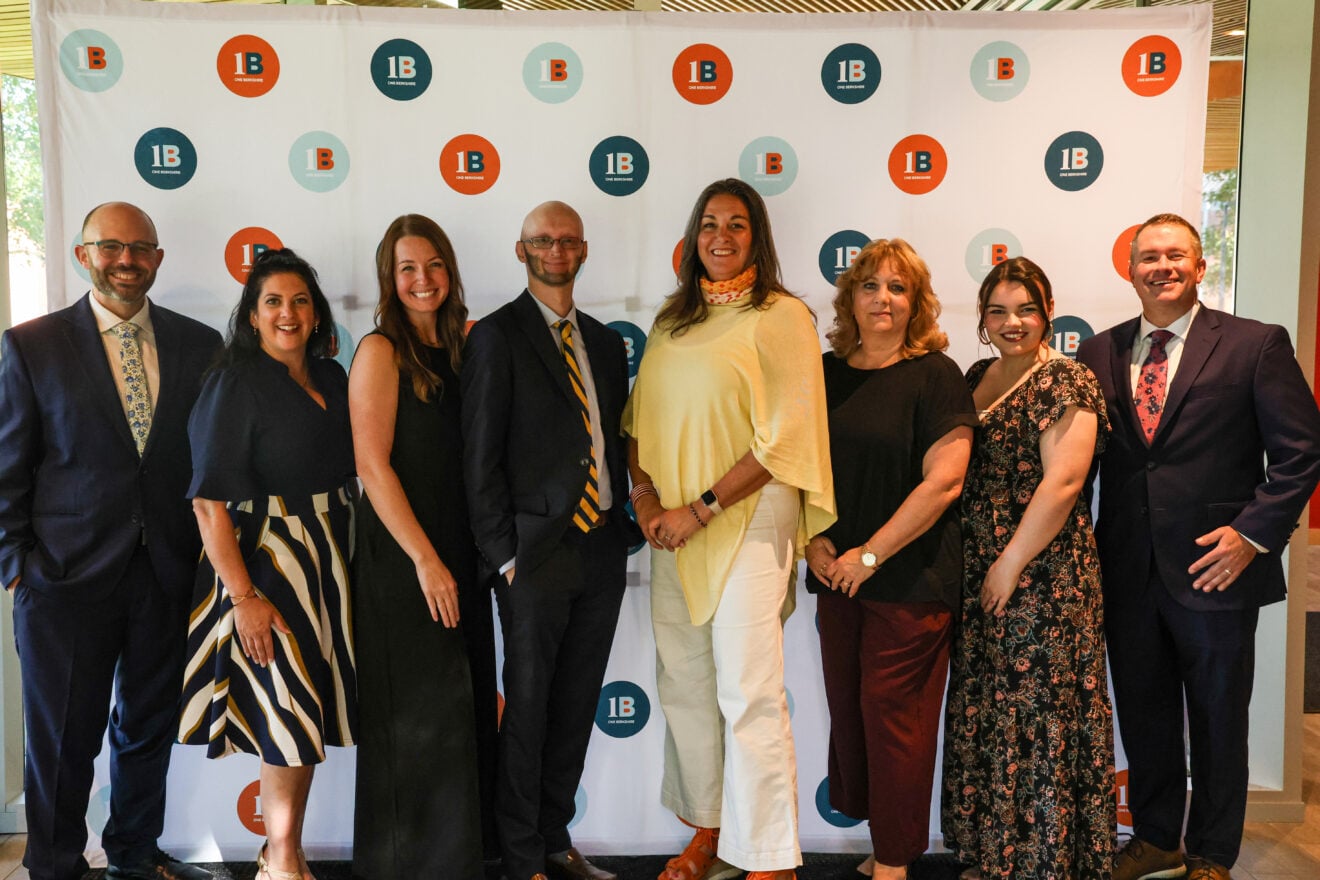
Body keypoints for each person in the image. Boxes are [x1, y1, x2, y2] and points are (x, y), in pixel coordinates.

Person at [1076, 215, 1320, 880]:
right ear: (1131, 270)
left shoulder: (1255, 344)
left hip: (1218, 568)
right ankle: (1157, 839)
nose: (1162, 266)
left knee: (1217, 719)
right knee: (1145, 715)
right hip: (1127, 570)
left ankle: (1212, 853)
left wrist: (1251, 536)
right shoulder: (1096, 353)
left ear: (1200, 265)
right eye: (1148, 257)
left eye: (1175, 255)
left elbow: (1301, 453)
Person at [0, 202, 219, 880]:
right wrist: (16, 566)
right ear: (83, 255)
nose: (126, 260)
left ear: (157, 258)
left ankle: (133, 855)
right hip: (62, 580)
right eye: (110, 247)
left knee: (147, 729)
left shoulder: (199, 344)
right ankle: (54, 864)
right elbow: (7, 466)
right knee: (62, 741)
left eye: (140, 248)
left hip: (166, 573)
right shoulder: (32, 345)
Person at [623, 178, 834, 880]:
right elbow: (636, 425)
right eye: (709, 223)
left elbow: (785, 438)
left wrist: (701, 508)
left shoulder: (782, 316)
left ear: (757, 237)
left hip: (746, 518)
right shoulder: (670, 320)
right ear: (693, 236)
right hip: (672, 530)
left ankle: (769, 858)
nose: (721, 236)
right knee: (686, 684)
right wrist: (647, 502)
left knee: (749, 691)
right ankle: (710, 833)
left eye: (737, 224)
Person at [461, 200, 640, 880]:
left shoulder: (604, 343)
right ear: (522, 250)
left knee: (574, 706)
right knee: (529, 710)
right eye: (542, 240)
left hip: (601, 548)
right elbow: (478, 457)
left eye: (567, 240)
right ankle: (520, 856)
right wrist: (504, 556)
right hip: (533, 556)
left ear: (583, 250)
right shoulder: (495, 337)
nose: (556, 250)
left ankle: (555, 839)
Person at [177, 249, 356, 880]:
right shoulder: (235, 382)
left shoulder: (333, 377)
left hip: (332, 558)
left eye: (300, 301)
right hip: (267, 563)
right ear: (252, 316)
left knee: (304, 717)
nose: (288, 313)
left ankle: (284, 852)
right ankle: (281, 859)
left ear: (317, 313)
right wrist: (244, 598)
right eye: (273, 301)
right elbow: (207, 504)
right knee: (285, 714)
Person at [804, 239, 975, 880]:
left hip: (910, 582)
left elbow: (945, 482)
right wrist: (813, 540)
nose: (883, 298)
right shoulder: (822, 373)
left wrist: (870, 555)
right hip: (837, 578)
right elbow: (796, 468)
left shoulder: (935, 374)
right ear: (850, 298)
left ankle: (895, 862)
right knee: (852, 717)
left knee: (896, 722)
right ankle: (881, 845)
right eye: (870, 285)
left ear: (917, 303)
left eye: (898, 288)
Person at [940, 256, 1115, 879]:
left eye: (1026, 310)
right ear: (983, 319)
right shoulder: (976, 374)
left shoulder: (1067, 379)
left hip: (1044, 577)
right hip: (978, 571)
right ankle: (995, 854)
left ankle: (1041, 862)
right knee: (988, 710)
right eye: (998, 311)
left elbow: (1063, 483)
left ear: (1048, 313)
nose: (1012, 322)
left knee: (1037, 716)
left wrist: (1011, 563)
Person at [349, 214, 494, 879]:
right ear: (390, 277)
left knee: (460, 717)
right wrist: (425, 561)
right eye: (407, 267)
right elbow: (372, 465)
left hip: (463, 555)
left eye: (434, 264)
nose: (423, 279)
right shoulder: (380, 350)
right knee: (416, 722)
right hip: (406, 562)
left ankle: (456, 864)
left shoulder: (467, 347)